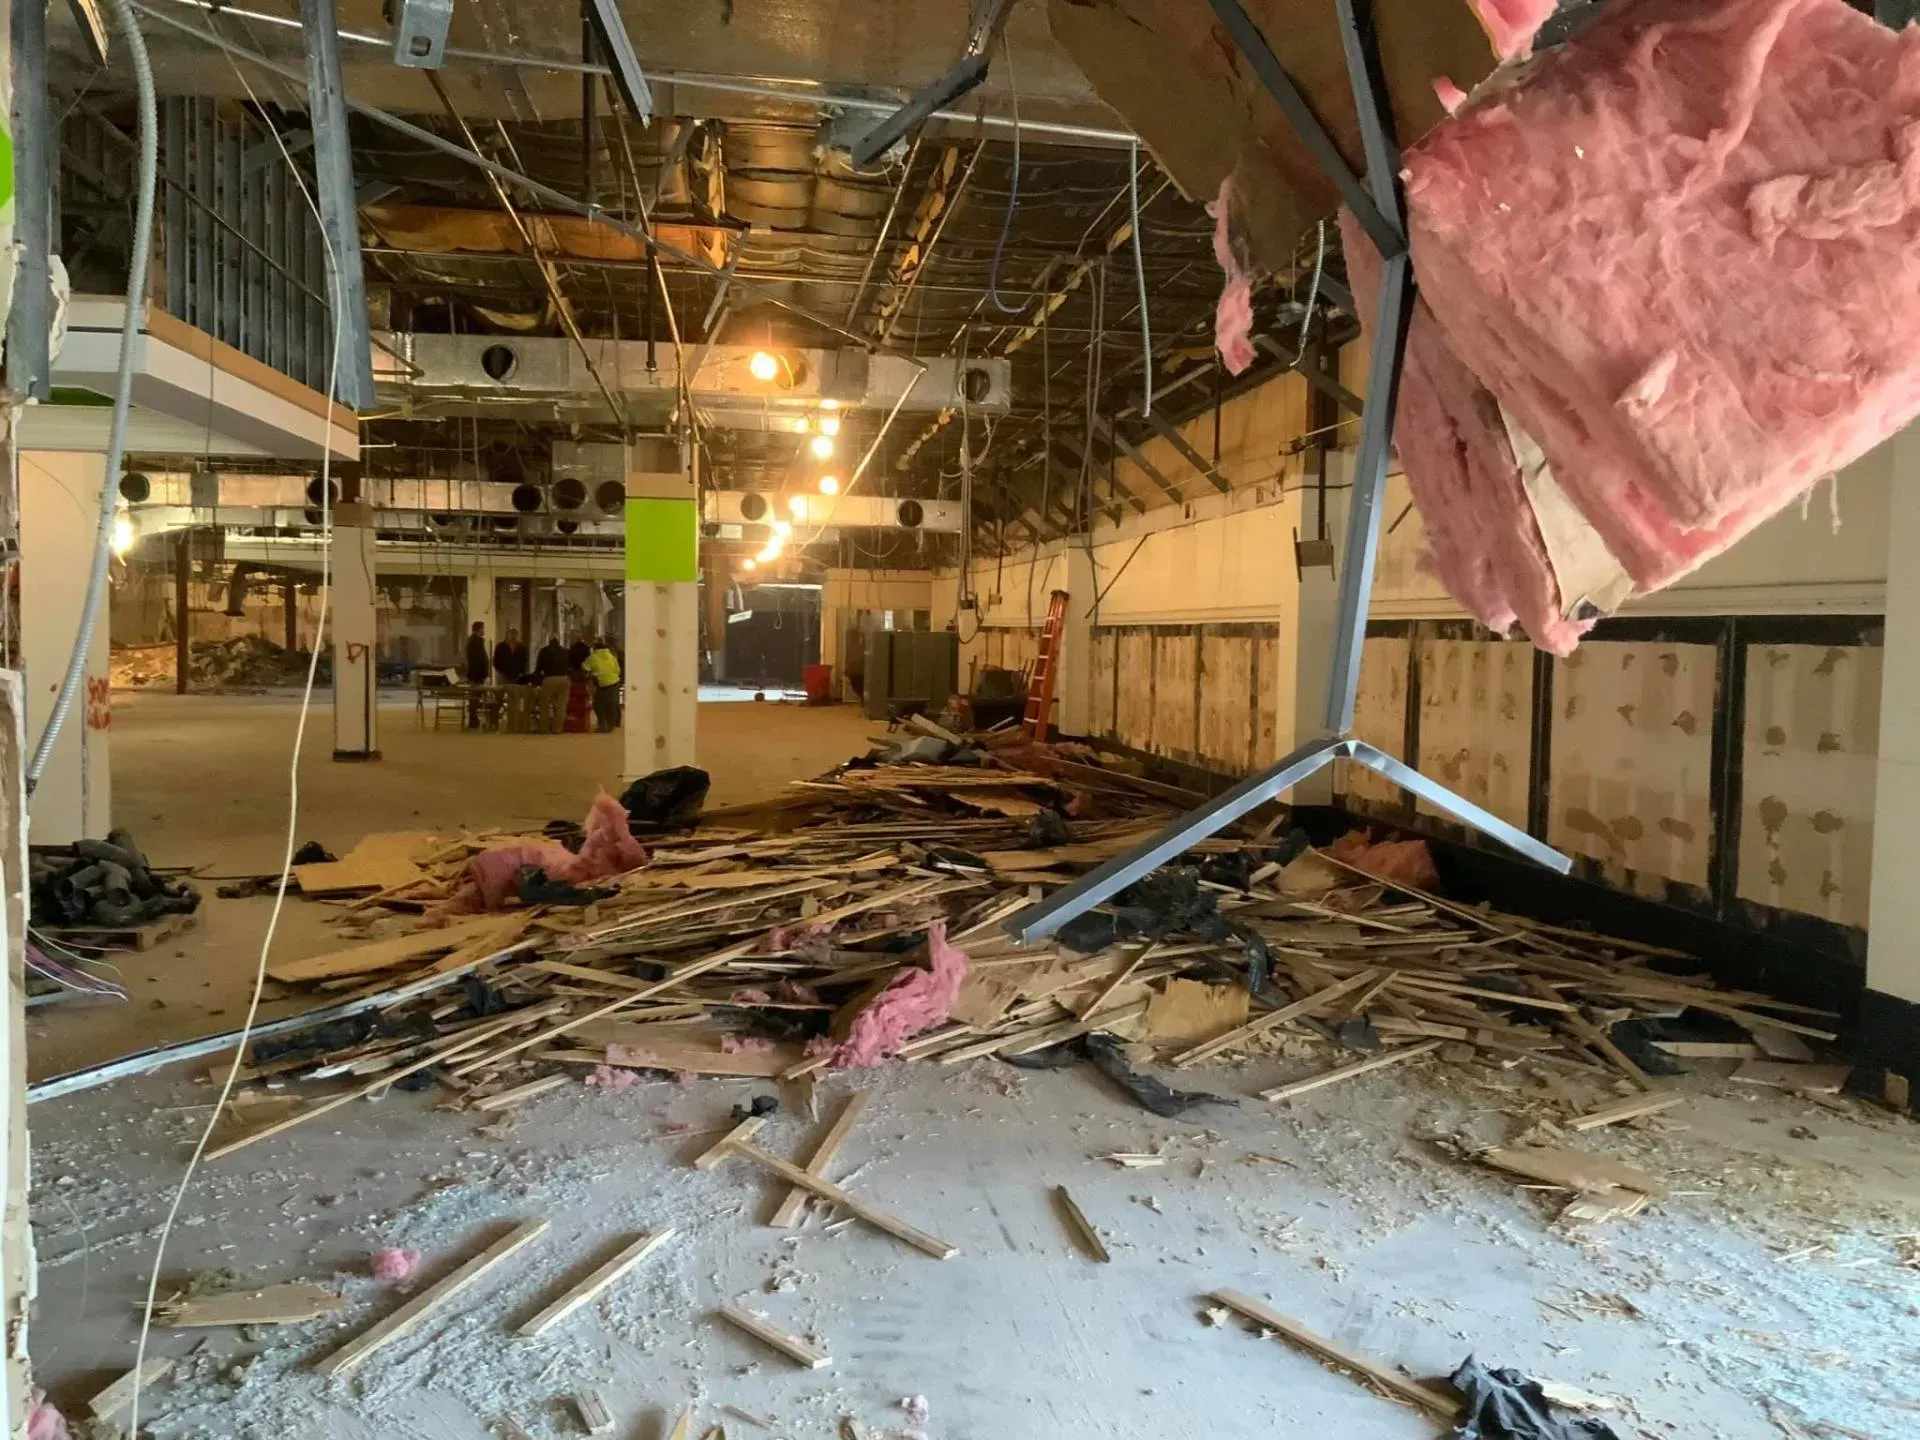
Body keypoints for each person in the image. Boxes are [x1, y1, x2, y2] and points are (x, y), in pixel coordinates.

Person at [583, 637, 622, 732]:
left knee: (599, 705)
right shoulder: (611, 656)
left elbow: (585, 667)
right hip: (614, 682)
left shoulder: (593, 657)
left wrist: (592, 674)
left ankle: (602, 724)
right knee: (612, 705)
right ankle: (611, 725)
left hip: (602, 684)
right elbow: (618, 670)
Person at [534, 634, 570, 734]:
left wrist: (537, 680)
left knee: (544, 704)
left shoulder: (544, 651)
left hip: (549, 678)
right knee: (561, 705)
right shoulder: (565, 652)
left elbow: (538, 668)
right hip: (564, 679)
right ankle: (557, 729)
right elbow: (569, 665)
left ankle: (544, 729)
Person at [463, 620, 490, 728]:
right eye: (483, 628)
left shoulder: (474, 641)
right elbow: (478, 660)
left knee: (475, 698)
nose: (484, 630)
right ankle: (473, 720)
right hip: (476, 675)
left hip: (476, 674)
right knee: (474, 698)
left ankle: (473, 720)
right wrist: (482, 673)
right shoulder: (476, 641)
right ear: (479, 629)